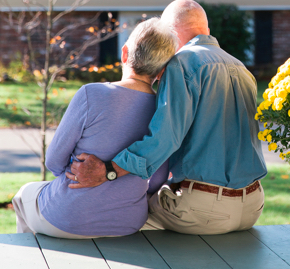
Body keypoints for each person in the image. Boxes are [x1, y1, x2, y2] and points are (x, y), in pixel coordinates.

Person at [69, 0, 267, 235]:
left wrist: (109, 169)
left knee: (120, 215)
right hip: (253, 207)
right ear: (207, 31)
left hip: (203, 211)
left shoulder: (182, 63)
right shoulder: (241, 68)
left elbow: (165, 139)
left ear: (169, 35)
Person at [11, 18, 177, 238]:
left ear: (125, 54)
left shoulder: (91, 94)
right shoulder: (163, 112)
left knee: (23, 196)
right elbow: (157, 179)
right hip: (127, 223)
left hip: (68, 217)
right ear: (162, 71)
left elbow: (53, 162)